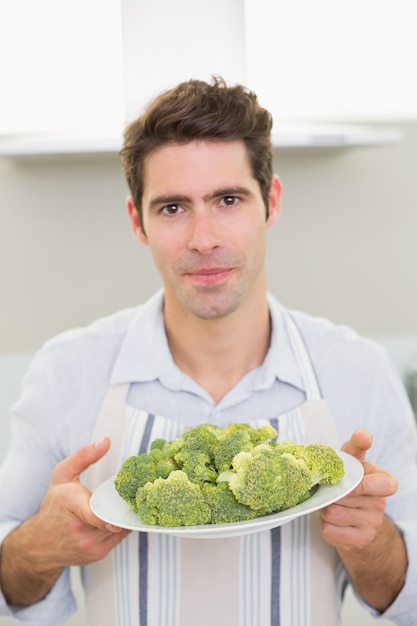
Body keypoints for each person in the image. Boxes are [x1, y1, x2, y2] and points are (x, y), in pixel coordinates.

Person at [0, 76, 416, 626]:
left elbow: (410, 600)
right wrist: (38, 546)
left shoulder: (358, 372)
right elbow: (10, 580)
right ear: (137, 221)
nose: (204, 238)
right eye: (173, 208)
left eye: (228, 199)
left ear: (271, 202)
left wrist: (372, 544)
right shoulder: (65, 373)